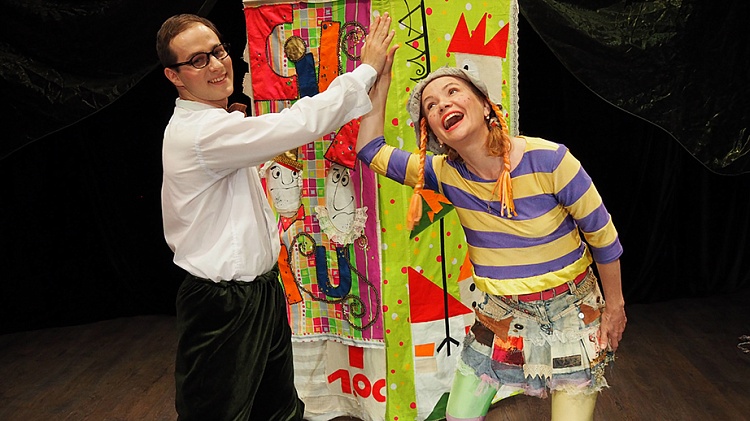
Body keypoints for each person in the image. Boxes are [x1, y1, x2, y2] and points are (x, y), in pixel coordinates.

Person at [357, 48, 626, 420]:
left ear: (485, 105)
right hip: (501, 315)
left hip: (571, 314)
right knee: (459, 416)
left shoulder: (551, 160)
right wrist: (381, 77)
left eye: (453, 91)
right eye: (430, 106)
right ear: (434, 134)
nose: (441, 104)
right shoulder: (443, 173)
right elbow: (369, 149)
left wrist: (615, 307)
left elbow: (603, 238)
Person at [155, 13, 394, 421]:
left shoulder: (217, 123)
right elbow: (297, 123)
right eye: (197, 60)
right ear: (174, 76)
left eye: (217, 51)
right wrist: (366, 70)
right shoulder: (200, 134)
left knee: (279, 410)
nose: (216, 65)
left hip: (260, 292)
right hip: (223, 303)